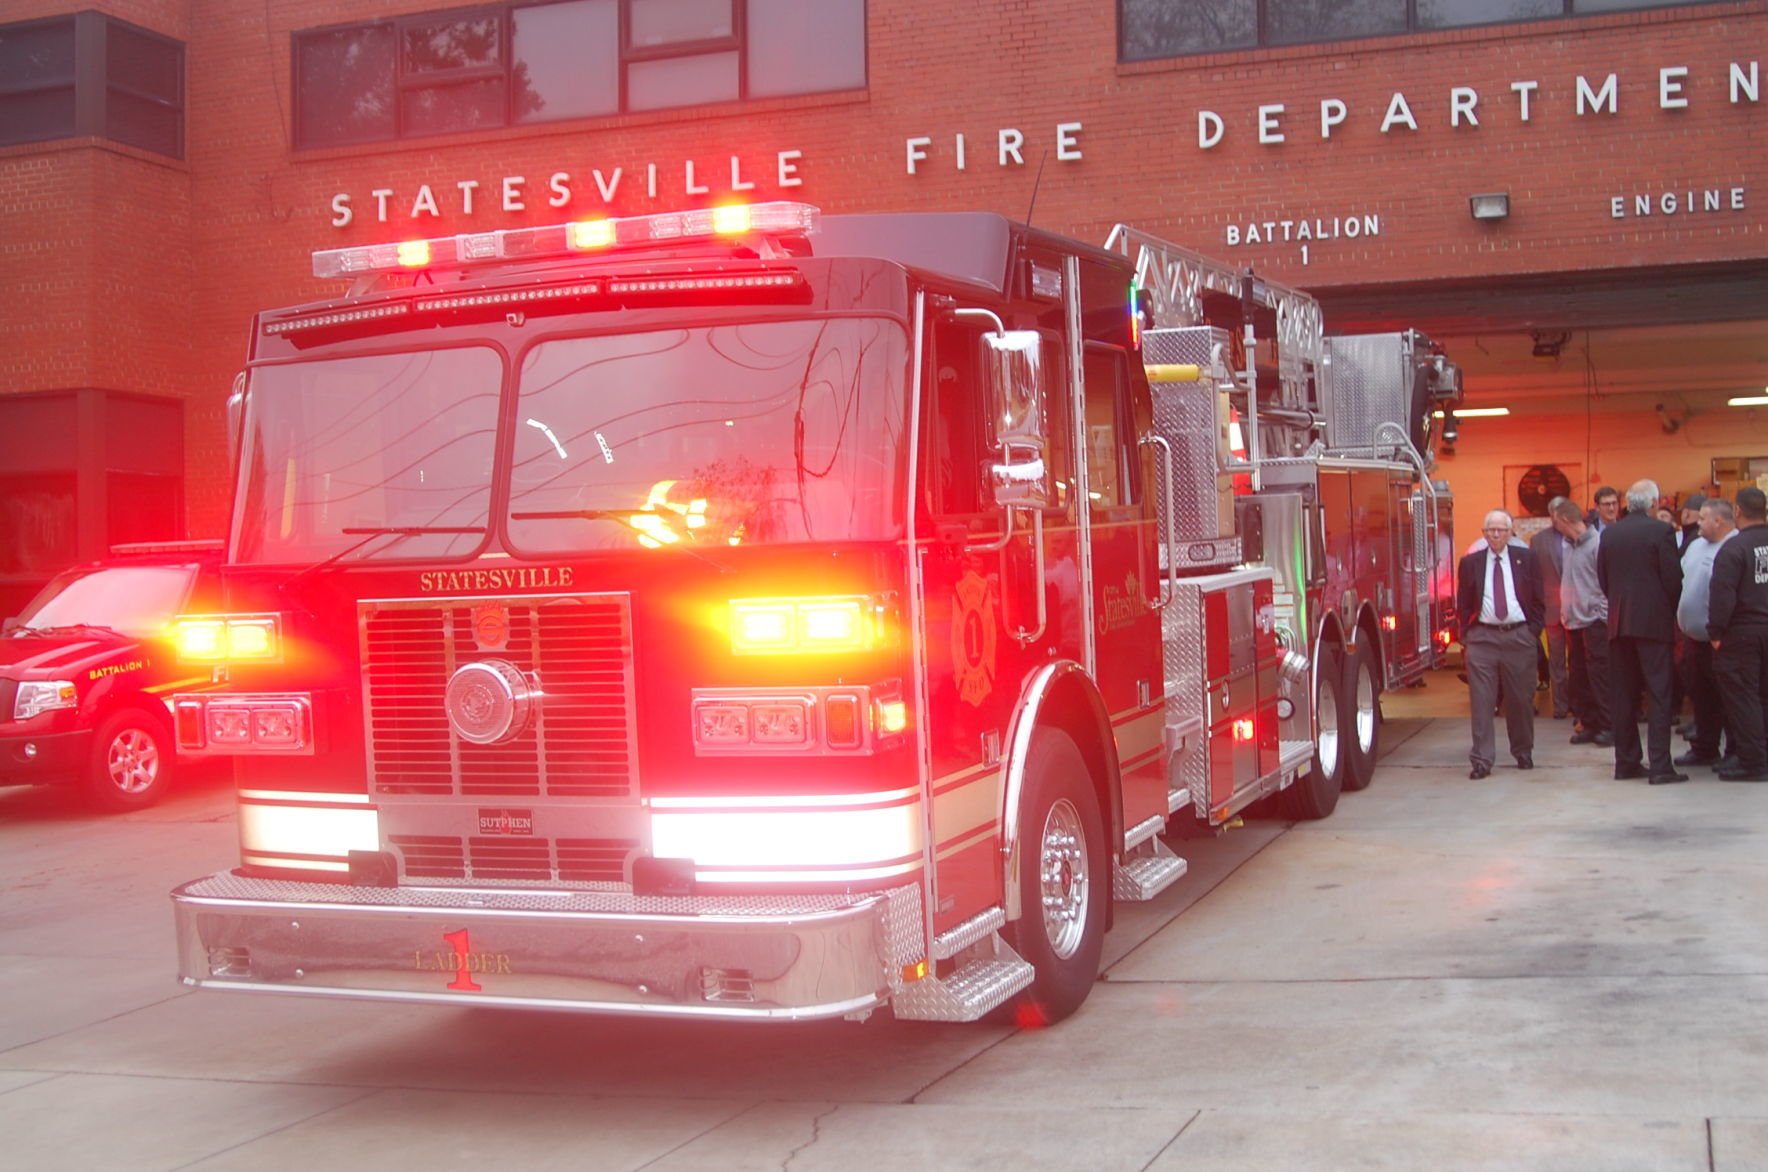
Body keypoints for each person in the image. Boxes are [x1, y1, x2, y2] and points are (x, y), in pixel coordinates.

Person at [1597, 479, 1686, 784]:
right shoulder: (1661, 531)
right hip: (1653, 623)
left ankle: (1626, 762)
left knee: (1623, 695)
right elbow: (1673, 578)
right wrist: (1666, 611)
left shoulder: (1610, 533)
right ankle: (1660, 765)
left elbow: (1603, 578)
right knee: (1659, 694)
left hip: (1619, 623)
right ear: (1652, 504)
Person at [1456, 509, 1544, 779]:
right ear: (1483, 534)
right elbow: (1463, 602)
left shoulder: (1526, 559)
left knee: (1520, 699)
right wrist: (1466, 634)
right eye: (1490, 530)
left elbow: (1540, 599)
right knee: (1482, 701)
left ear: (1510, 532)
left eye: (1500, 530)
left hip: (1518, 636)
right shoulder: (1471, 563)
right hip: (1482, 638)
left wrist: (1532, 632)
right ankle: (1482, 759)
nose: (1495, 534)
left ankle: (1523, 750)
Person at [1707, 486, 1768, 782]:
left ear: (1738, 511)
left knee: (1744, 699)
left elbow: (1723, 595)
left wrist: (1716, 631)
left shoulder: (1734, 548)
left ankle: (1754, 761)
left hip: (1743, 633)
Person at [1675, 497, 1736, 768]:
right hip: (1694, 638)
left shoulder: (1734, 547)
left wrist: (1719, 633)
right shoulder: (1696, 546)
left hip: (1722, 640)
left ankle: (1735, 751)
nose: (1697, 523)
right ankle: (1704, 747)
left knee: (1729, 698)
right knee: (1701, 697)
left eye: (1702, 518)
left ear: (1718, 521)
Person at [1552, 497, 1613, 748]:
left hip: (1594, 621)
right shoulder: (1570, 546)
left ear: (1566, 520)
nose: (1555, 528)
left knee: (1600, 675)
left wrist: (1599, 612)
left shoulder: (1598, 545)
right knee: (1580, 676)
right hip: (1573, 622)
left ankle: (1609, 725)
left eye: (1556, 523)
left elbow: (1604, 584)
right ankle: (1589, 722)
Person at [1530, 512, 1571, 719]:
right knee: (1556, 661)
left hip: (1578, 610)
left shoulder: (1578, 536)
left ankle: (1579, 705)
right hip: (1553, 610)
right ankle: (1560, 706)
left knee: (1578, 661)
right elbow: (1533, 577)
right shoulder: (1538, 541)